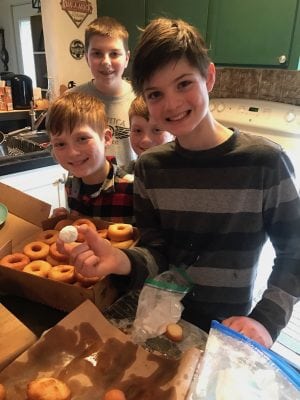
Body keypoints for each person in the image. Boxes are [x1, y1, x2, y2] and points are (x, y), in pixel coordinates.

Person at [58, 18, 300, 348]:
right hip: (162, 321)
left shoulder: (265, 163)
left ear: (209, 77)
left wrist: (266, 320)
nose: (171, 104)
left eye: (184, 84)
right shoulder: (151, 167)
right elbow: (158, 253)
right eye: (156, 93)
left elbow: (294, 253)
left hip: (228, 331)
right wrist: (120, 259)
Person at [46, 91, 134, 224]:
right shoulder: (71, 185)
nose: (72, 153)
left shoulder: (132, 189)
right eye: (60, 144)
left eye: (82, 138)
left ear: (106, 138)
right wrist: (66, 221)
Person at [69, 16, 136, 167]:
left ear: (126, 58)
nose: (106, 62)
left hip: (130, 186)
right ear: (87, 58)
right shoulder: (71, 100)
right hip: (85, 188)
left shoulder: (142, 99)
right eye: (97, 54)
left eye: (114, 54)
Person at [124, 95, 174, 173]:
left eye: (157, 130)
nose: (146, 140)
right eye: (138, 130)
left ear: (174, 134)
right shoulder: (121, 178)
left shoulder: (187, 175)